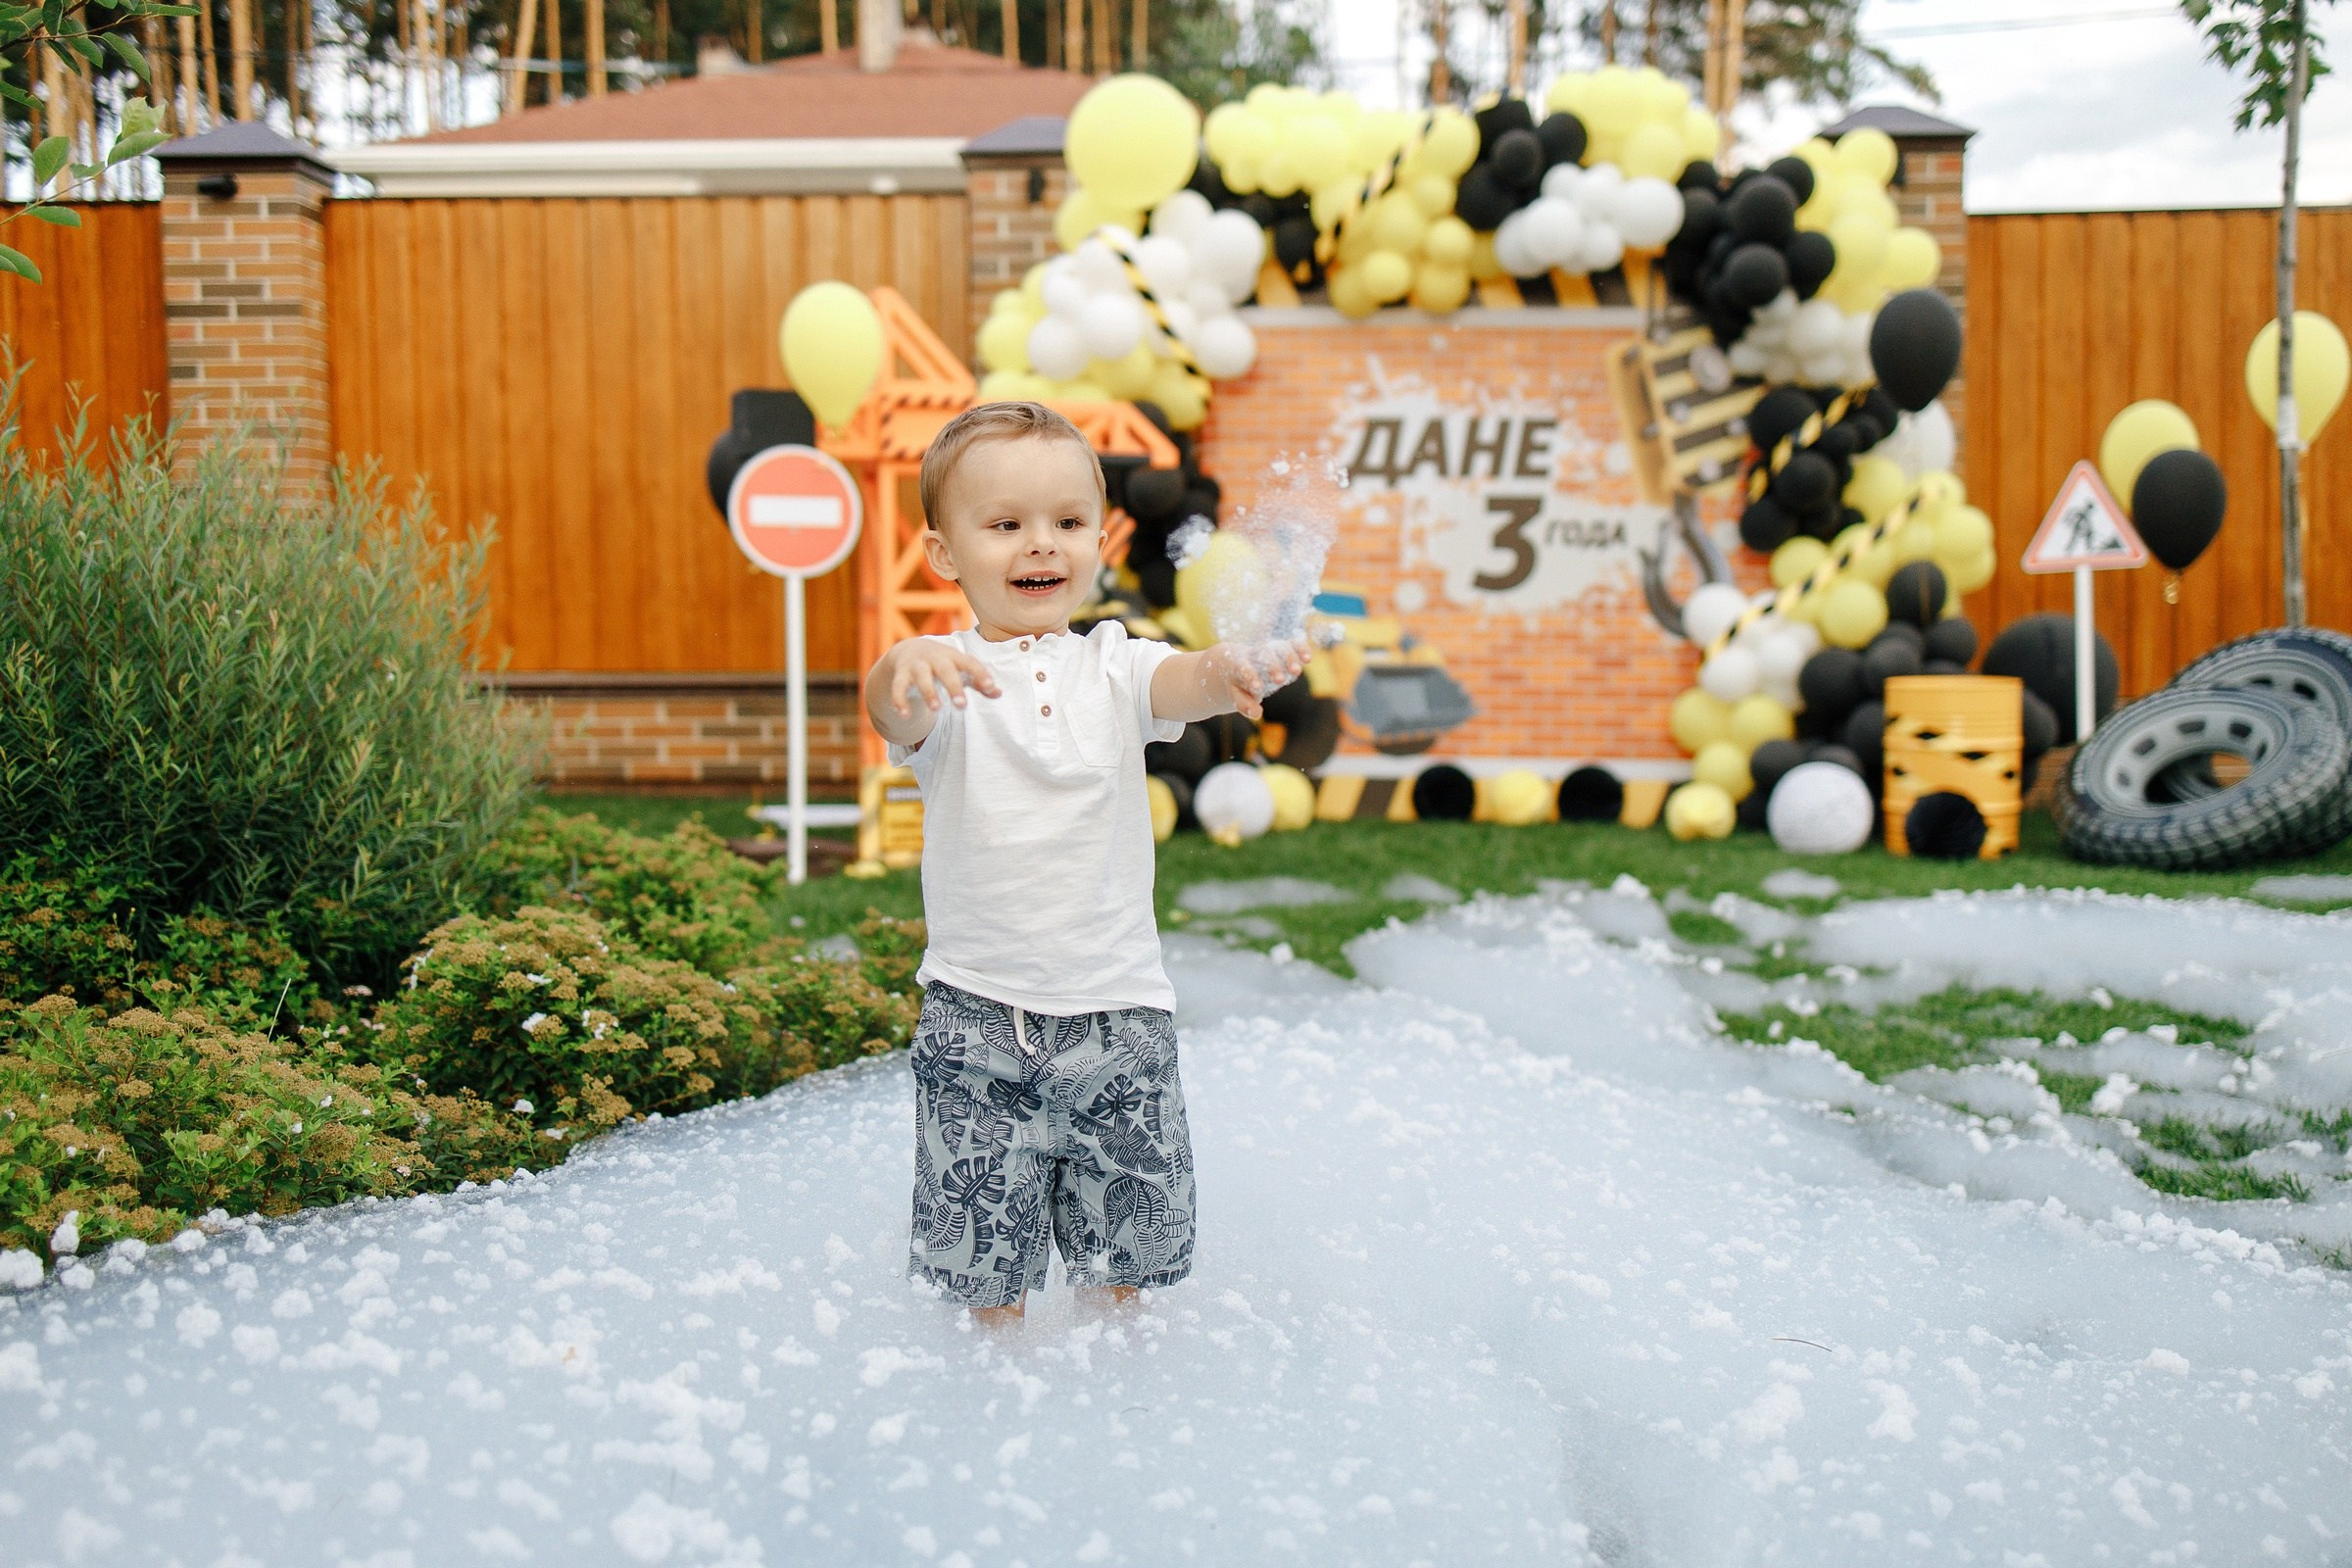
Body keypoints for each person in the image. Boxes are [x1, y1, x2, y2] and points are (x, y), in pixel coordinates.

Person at [865, 401, 1305, 1325]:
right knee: (981, 1263)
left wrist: (1225, 667)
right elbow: (893, 709)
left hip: (1119, 1012)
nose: (1042, 544)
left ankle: (1117, 1379)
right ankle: (993, 1376)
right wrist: (900, 667)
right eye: (1005, 525)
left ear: (1097, 541)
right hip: (977, 1014)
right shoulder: (945, 673)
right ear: (944, 553)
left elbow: (1179, 680)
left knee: (1124, 1253)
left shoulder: (1114, 664)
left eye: (1067, 522)